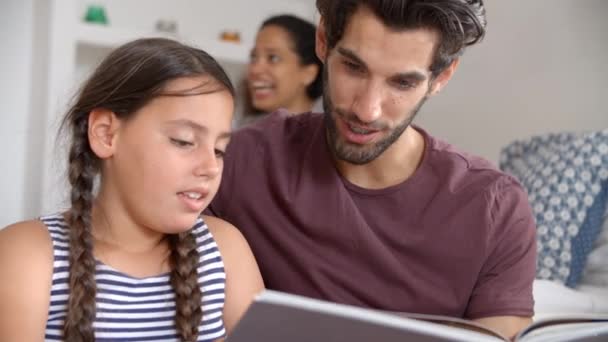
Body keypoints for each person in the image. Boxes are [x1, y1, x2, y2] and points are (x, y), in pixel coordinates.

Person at [207, 0, 537, 339]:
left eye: (402, 83)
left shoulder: (495, 209)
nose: (367, 109)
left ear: (441, 77)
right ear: (323, 41)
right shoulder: (243, 160)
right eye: (353, 67)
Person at [0, 38, 264, 342]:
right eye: (183, 141)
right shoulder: (29, 256)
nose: (210, 166)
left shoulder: (223, 251)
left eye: (219, 149)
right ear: (106, 134)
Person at [237, 14, 323, 127]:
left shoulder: (330, 135)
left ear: (309, 74)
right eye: (254, 57)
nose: (255, 69)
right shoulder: (243, 132)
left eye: (273, 58)